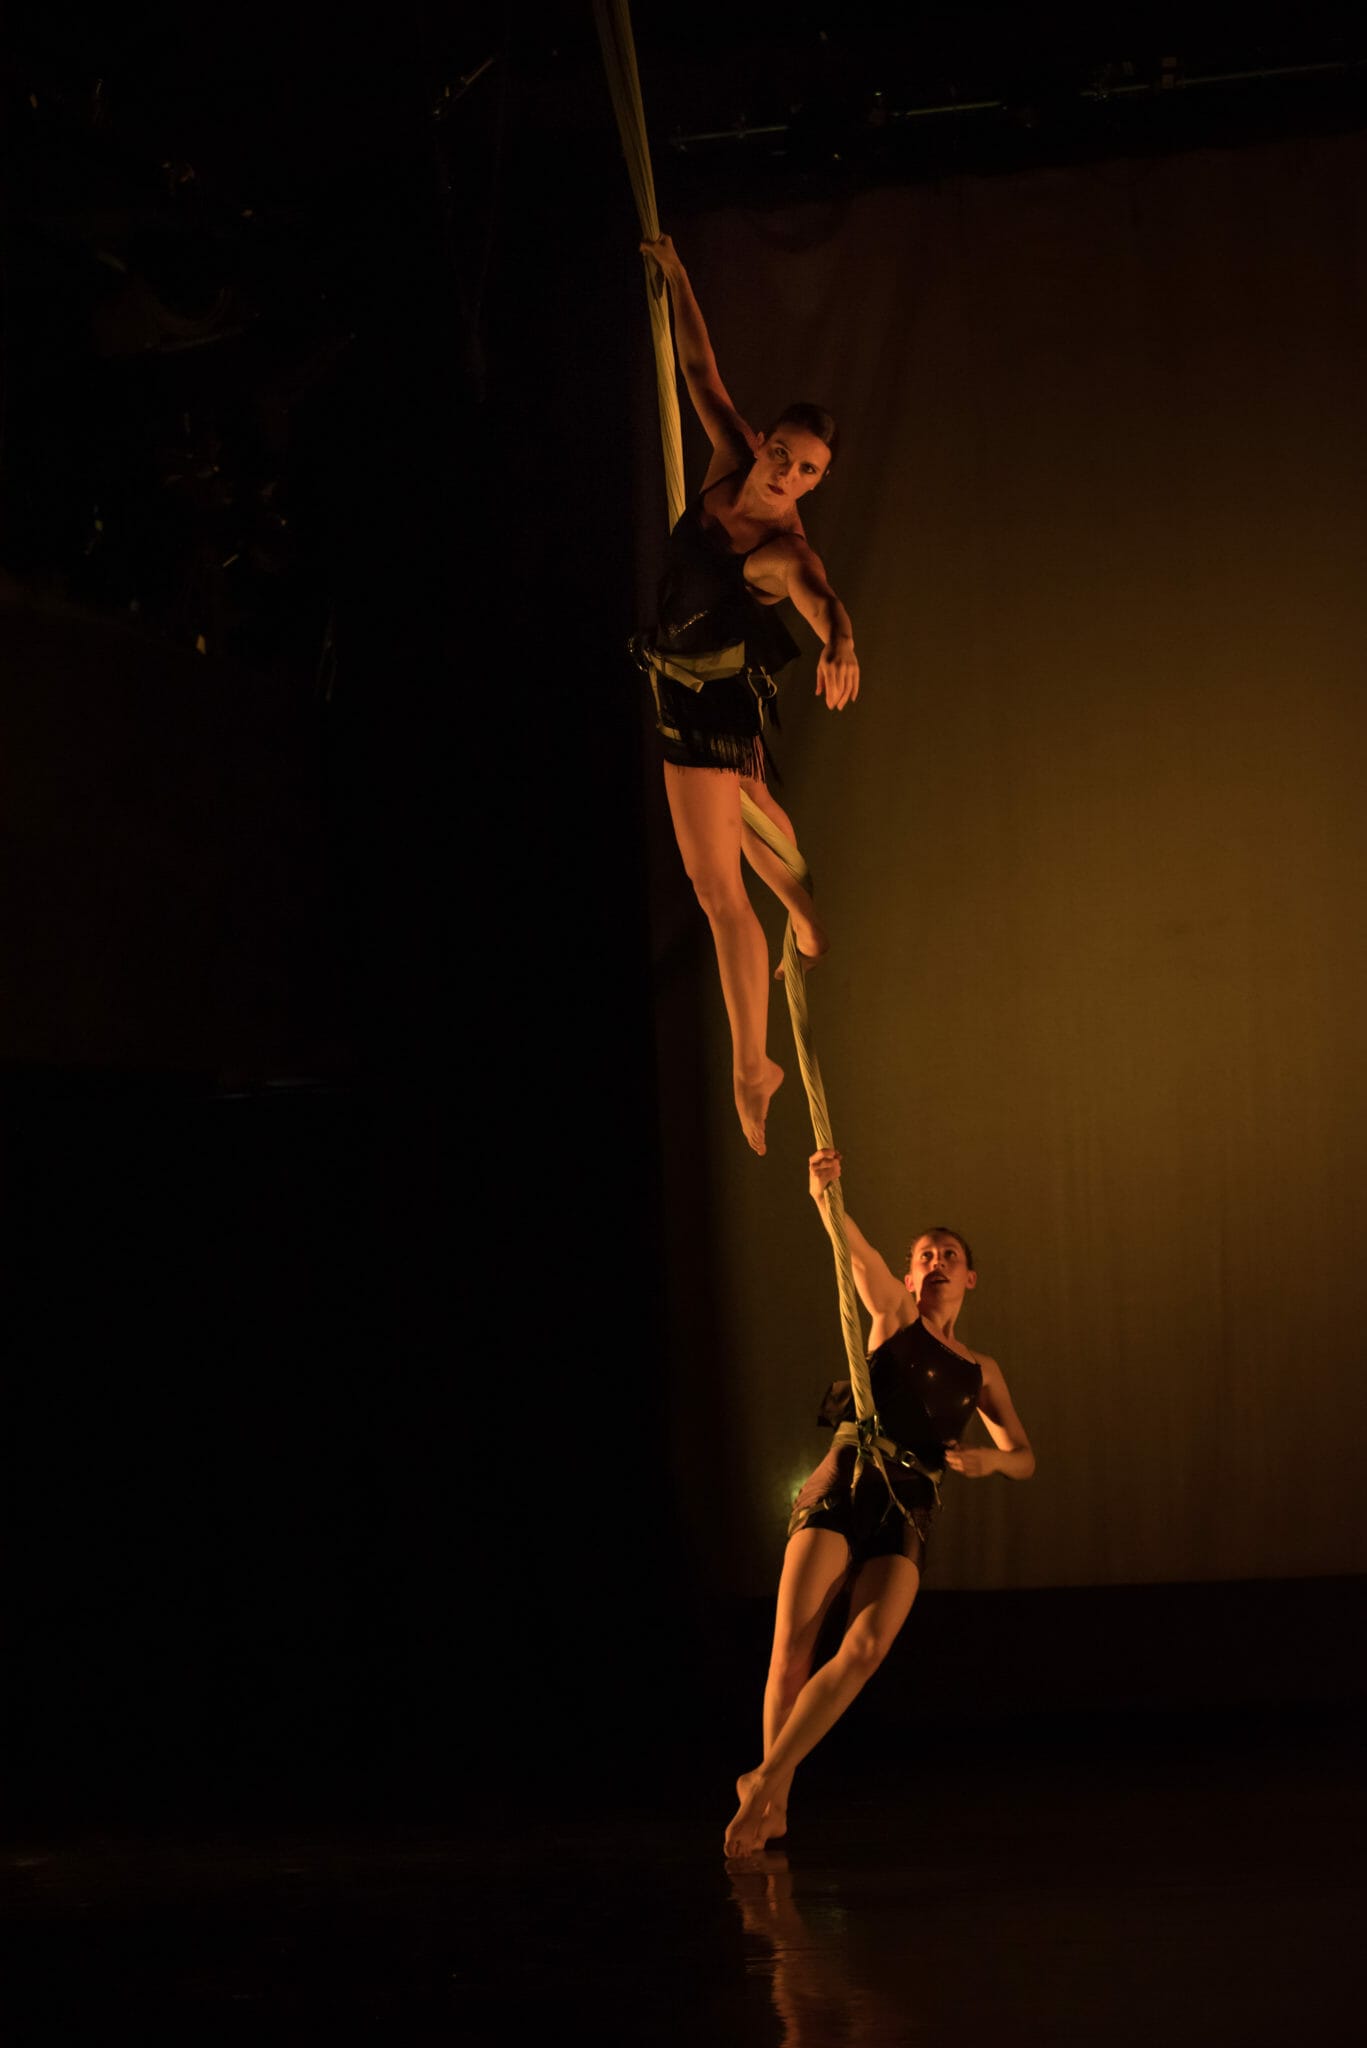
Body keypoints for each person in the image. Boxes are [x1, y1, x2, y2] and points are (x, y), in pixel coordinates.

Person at [723, 1148, 1036, 1857]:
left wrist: (991, 1460)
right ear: (908, 1275)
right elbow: (852, 1249)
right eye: (922, 1254)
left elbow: (1025, 1455)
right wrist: (822, 1196)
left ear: (968, 1276)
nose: (934, 1262)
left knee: (863, 1647)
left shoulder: (980, 1370)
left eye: (947, 1254)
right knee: (792, 1655)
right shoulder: (894, 1318)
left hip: (908, 1506)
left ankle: (765, 1779)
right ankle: (773, 1805)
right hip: (846, 1483)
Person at [636, 235, 861, 1156]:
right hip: (698, 700)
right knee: (750, 840)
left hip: (701, 715)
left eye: (806, 472)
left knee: (716, 890)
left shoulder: (786, 548)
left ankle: (749, 1064)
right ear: (763, 442)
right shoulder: (731, 462)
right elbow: (699, 370)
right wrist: (679, 277)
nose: (785, 477)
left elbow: (819, 598)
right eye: (782, 455)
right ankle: (806, 915)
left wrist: (842, 643)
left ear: (817, 482)